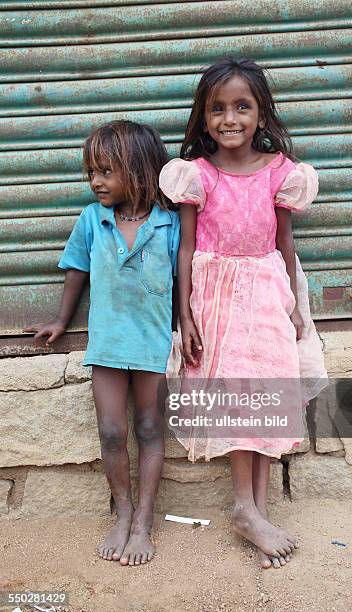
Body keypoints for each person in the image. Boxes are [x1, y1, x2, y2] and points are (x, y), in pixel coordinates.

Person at [159, 58, 327, 569]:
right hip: (215, 297)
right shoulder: (197, 176)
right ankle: (244, 508)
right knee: (237, 395)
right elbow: (185, 249)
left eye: (242, 107)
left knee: (268, 390)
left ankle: (257, 508)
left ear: (260, 114)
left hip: (266, 290)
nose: (229, 118)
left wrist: (297, 305)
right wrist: (185, 314)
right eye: (217, 108)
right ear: (203, 116)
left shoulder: (282, 173)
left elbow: (284, 242)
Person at [24, 120, 180, 566]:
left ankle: (144, 522)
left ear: (139, 169)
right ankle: (123, 511)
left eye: (106, 171)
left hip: (152, 345)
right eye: (91, 171)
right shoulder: (93, 219)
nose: (95, 181)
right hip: (109, 344)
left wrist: (188, 326)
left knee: (150, 429)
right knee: (112, 432)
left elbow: (184, 278)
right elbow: (77, 270)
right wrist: (60, 320)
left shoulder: (169, 223)